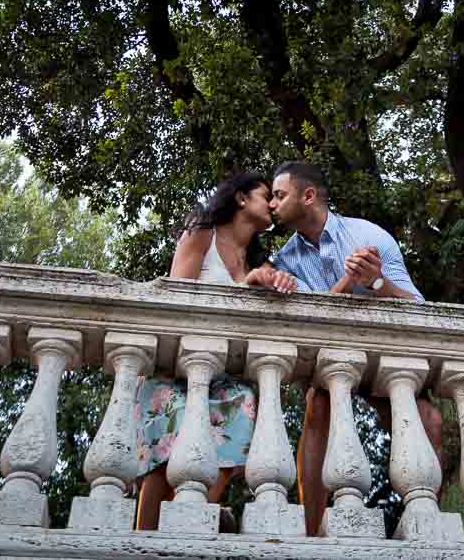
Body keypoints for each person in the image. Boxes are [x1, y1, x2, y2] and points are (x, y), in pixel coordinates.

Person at [267, 161, 443, 536]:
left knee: (430, 420)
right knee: (318, 406)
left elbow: (417, 308)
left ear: (308, 195)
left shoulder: (369, 235)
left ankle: (428, 522)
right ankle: (312, 531)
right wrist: (349, 282)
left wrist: (378, 283)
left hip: (383, 359)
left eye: (279, 195)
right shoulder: (284, 261)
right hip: (330, 362)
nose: (271, 204)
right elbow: (311, 322)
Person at [134, 171, 296, 531]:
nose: (272, 203)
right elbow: (177, 300)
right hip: (173, 370)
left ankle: (189, 527)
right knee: (172, 435)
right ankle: (141, 540)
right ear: (240, 198)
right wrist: (243, 286)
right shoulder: (201, 233)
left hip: (222, 378)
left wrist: (280, 284)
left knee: (243, 404)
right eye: (265, 194)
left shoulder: (261, 264)